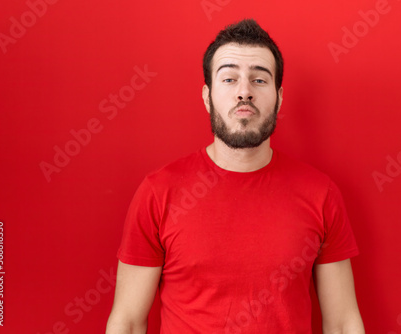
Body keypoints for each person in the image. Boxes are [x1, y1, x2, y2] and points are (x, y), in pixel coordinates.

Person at [106, 19, 365, 334]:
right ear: (206, 96)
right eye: (229, 79)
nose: (245, 92)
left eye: (259, 79)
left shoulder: (320, 193)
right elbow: (129, 323)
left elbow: (341, 323)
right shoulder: (158, 192)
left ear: (279, 98)